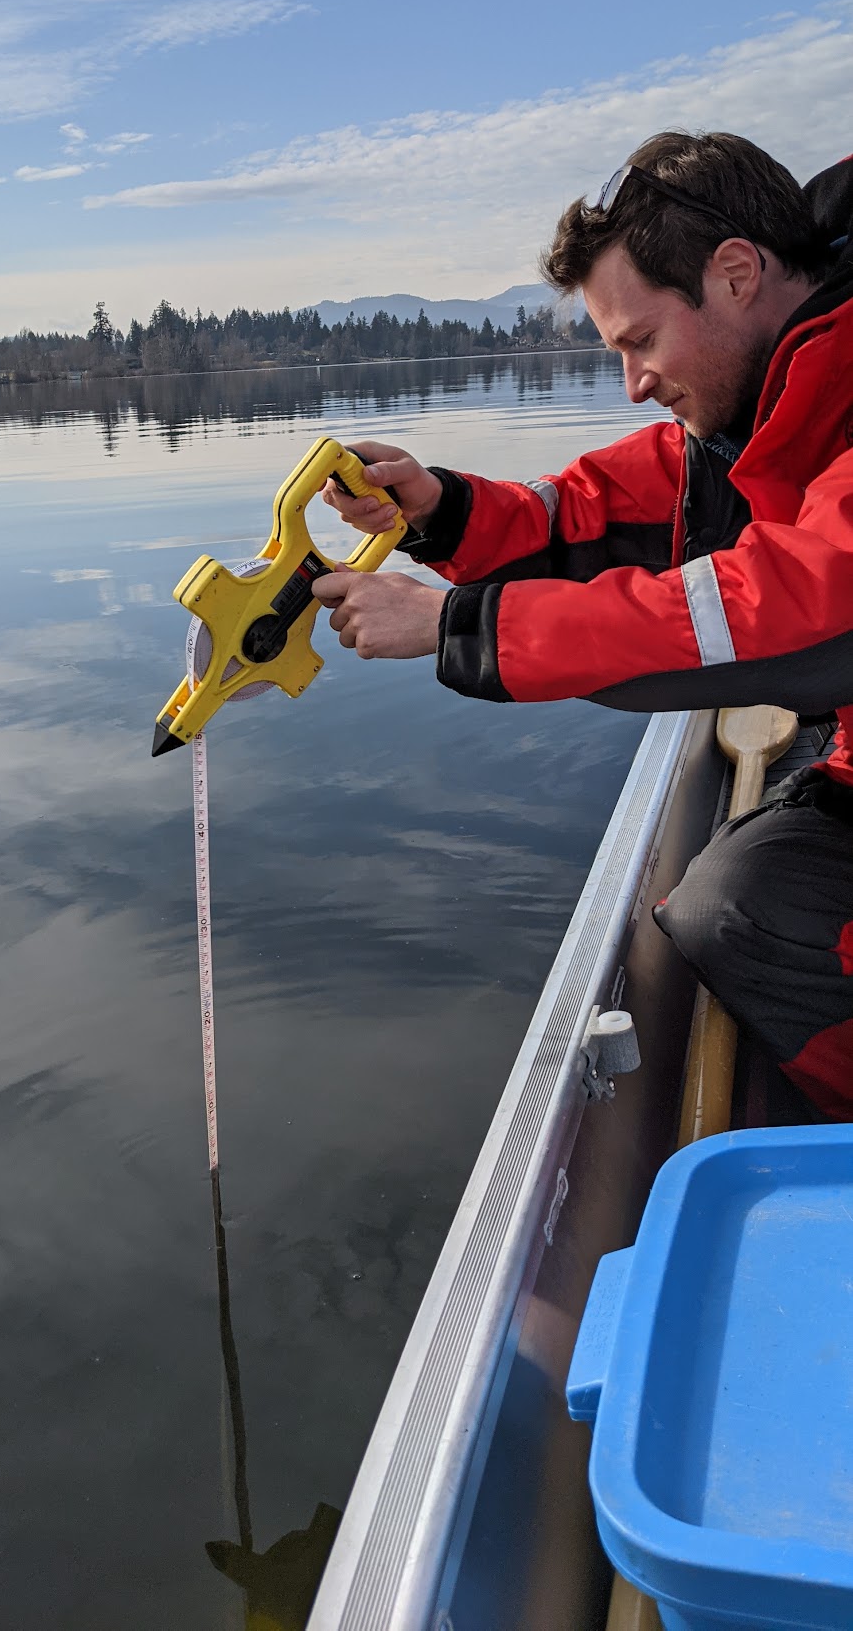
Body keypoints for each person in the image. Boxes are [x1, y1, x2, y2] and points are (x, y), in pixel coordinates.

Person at [312, 131, 853, 1118]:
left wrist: (454, 628)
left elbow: (817, 614)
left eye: (640, 341)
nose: (633, 384)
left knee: (741, 909)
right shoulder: (751, 417)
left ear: (735, 275)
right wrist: (437, 509)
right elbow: (584, 515)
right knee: (726, 910)